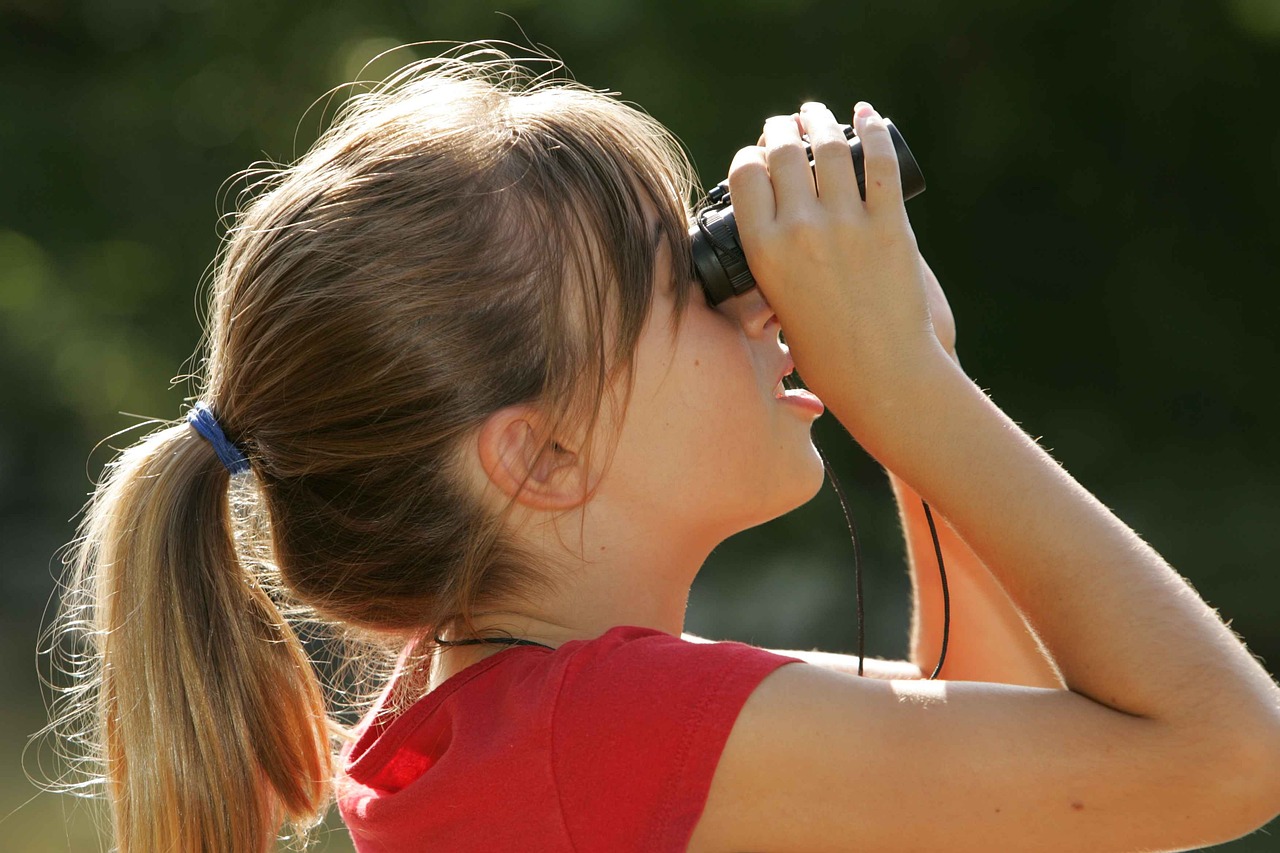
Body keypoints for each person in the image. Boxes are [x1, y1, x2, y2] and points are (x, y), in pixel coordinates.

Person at [47, 43, 1280, 852]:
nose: (750, 299)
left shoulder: (507, 723)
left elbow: (1019, 788)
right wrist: (905, 392)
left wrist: (920, 394)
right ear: (541, 457)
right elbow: (1228, 757)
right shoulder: (597, 730)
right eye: (685, 282)